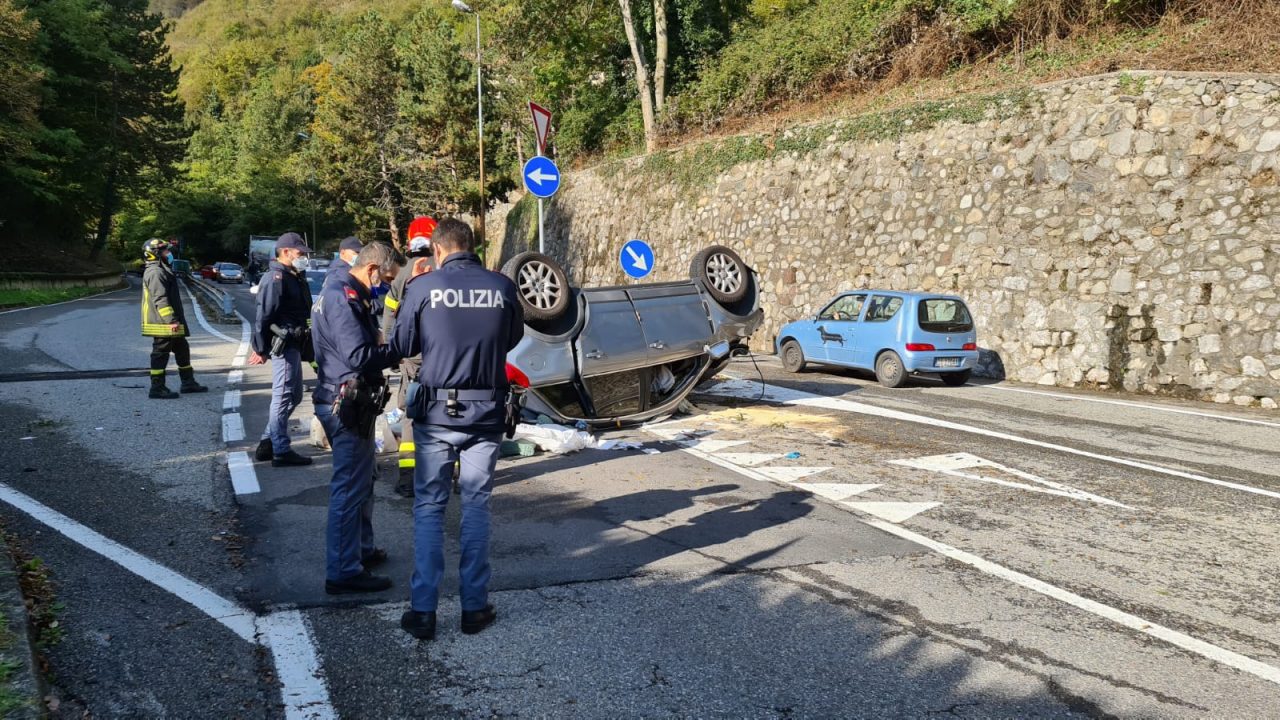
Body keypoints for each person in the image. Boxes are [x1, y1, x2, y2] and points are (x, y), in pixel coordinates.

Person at [390, 218, 524, 640]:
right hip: (486, 412)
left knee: (430, 506)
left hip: (435, 416)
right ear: (471, 246)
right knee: (477, 505)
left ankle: (424, 612)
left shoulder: (423, 287)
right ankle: (474, 609)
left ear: (439, 250)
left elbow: (402, 345)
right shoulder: (501, 287)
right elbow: (512, 338)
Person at [312, 243, 401, 594]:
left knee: (363, 483)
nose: (385, 287)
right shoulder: (343, 297)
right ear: (373, 268)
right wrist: (394, 348)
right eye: (387, 279)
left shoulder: (345, 292)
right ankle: (343, 570)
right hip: (345, 401)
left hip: (349, 398)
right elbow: (359, 355)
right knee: (349, 489)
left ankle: (360, 551)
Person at [248, 232, 314, 467]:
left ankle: (268, 441)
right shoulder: (276, 277)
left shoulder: (294, 275)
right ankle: (281, 450)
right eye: (300, 253)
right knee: (283, 395)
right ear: (285, 252)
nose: (304, 257)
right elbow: (263, 316)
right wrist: (261, 347)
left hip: (295, 343)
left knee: (294, 395)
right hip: (283, 343)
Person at [383, 217, 436, 497]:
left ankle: (408, 479)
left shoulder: (403, 274)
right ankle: (458, 474)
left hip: (412, 357)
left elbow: (389, 318)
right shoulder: (445, 268)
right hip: (445, 355)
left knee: (411, 416)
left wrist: (392, 353)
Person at [140, 239, 208, 399]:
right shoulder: (156, 272)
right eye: (164, 251)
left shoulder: (161, 270)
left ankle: (188, 382)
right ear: (155, 254)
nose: (168, 254)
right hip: (162, 323)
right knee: (160, 354)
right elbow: (160, 299)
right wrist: (171, 320)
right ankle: (157, 387)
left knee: (182, 350)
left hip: (168, 322)